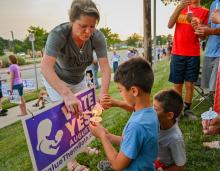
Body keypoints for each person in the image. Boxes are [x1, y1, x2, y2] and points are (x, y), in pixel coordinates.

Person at [40, 0, 111, 170]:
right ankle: (70, 162)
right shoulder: (58, 35)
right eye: (83, 26)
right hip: (56, 79)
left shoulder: (97, 36)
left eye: (92, 26)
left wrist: (104, 93)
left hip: (78, 79)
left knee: (82, 116)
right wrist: (65, 93)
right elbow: (45, 67)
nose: (88, 31)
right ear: (72, 20)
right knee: (65, 118)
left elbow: (106, 67)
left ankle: (82, 146)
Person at [90, 57, 159, 171]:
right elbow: (130, 142)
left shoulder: (136, 126)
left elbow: (117, 166)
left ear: (134, 91)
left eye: (120, 90)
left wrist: (103, 137)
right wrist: (109, 136)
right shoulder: (150, 113)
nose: (120, 93)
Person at [167, 0, 209, 120]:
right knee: (177, 85)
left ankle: (187, 109)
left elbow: (203, 36)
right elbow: (169, 25)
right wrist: (179, 8)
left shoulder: (205, 11)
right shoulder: (181, 7)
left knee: (190, 84)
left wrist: (196, 25)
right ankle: (178, 111)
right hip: (177, 52)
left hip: (193, 53)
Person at [193, 1, 220, 102]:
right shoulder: (214, 3)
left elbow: (212, 29)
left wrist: (211, 31)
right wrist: (200, 28)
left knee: (216, 88)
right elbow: (210, 26)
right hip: (210, 51)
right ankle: (216, 112)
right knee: (210, 89)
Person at [153, 89, 186, 171]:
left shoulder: (175, 139)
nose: (151, 112)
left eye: (155, 109)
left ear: (169, 115)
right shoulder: (156, 123)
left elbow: (180, 165)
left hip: (161, 166)